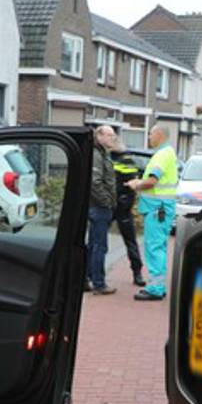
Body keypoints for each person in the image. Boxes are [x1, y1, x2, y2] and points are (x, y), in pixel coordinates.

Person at [128, 125, 179, 301]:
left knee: (154, 247)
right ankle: (158, 285)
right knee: (159, 247)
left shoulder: (161, 155)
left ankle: (156, 289)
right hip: (162, 207)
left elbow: (151, 181)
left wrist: (137, 184)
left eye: (150, 134)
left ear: (158, 134)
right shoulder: (169, 153)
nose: (149, 137)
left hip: (157, 208)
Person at [86, 126, 119, 295]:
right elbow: (95, 182)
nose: (113, 138)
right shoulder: (97, 155)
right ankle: (99, 283)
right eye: (110, 135)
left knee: (93, 245)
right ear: (99, 136)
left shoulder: (102, 153)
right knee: (100, 246)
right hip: (99, 207)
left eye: (114, 135)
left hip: (98, 206)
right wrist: (107, 202)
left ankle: (87, 279)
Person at [109, 139, 146, 287]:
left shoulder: (125, 160)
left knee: (129, 241)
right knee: (130, 241)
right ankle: (137, 274)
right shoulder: (110, 159)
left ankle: (137, 272)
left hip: (120, 205)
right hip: (119, 205)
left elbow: (131, 184)